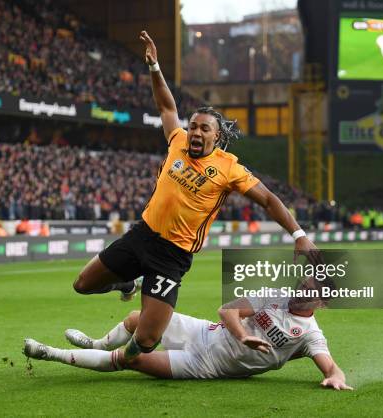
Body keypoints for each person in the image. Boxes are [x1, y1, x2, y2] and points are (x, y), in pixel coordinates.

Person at [71, 30, 319, 366]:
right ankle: (126, 283)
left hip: (172, 256)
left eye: (205, 129)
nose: (196, 133)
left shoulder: (229, 168)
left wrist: (299, 235)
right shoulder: (177, 141)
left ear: (217, 137)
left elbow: (268, 199)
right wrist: (155, 67)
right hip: (141, 235)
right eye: (193, 126)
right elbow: (165, 105)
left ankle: (118, 358)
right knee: (83, 284)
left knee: (146, 339)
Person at [24, 277, 351, 390]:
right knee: (139, 317)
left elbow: (331, 366)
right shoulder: (274, 295)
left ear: (321, 304)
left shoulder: (309, 335)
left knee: (132, 360)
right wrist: (241, 335)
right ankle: (94, 343)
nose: (299, 292)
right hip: (205, 333)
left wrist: (334, 377)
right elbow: (227, 310)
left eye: (308, 292)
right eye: (301, 286)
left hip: (207, 365)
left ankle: (49, 353)